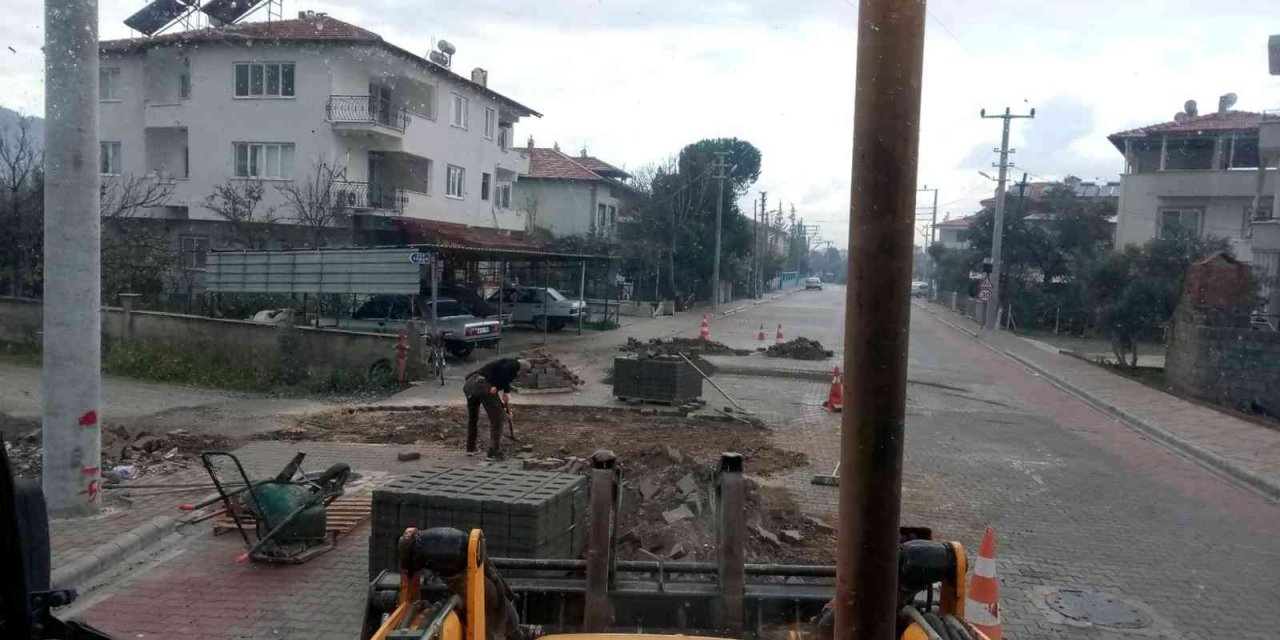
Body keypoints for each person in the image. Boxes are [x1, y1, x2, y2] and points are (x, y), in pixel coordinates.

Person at [463, 357, 530, 460]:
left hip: (470, 385)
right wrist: (507, 392)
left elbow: (493, 396)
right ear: (521, 369)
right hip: (482, 386)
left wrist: (503, 407)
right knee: (497, 419)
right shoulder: (513, 363)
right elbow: (504, 372)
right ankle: (494, 452)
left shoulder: (497, 368)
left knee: (473, 418)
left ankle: (470, 449)